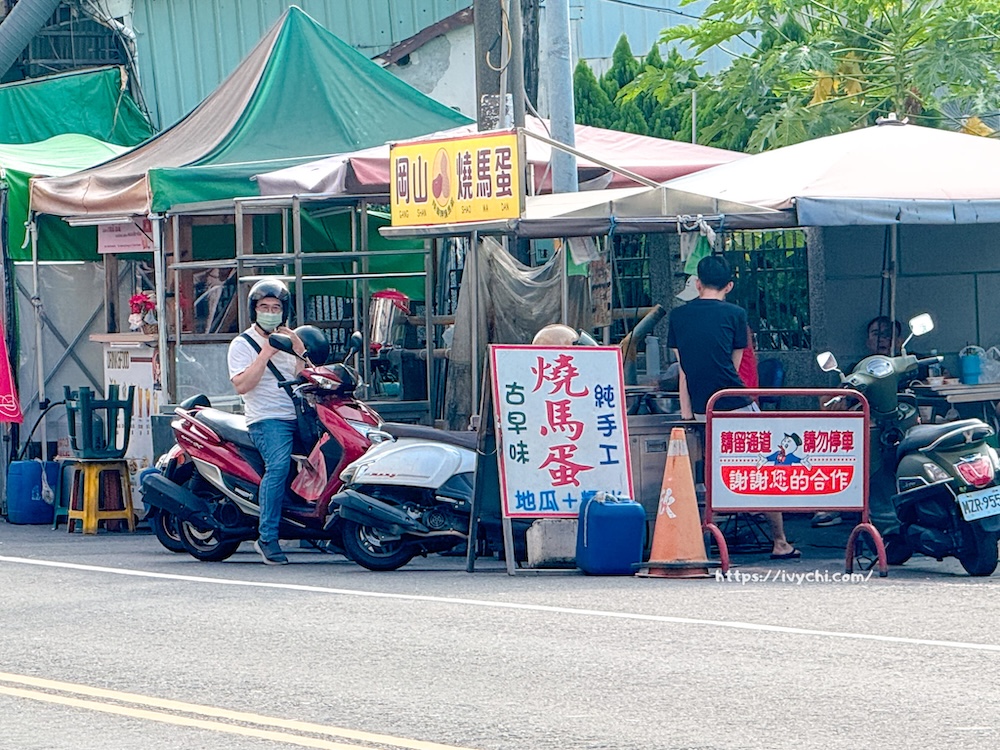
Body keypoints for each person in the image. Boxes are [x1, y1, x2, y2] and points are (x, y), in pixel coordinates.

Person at [668, 255, 799, 559]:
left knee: (709, 472)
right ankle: (780, 541)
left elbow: (683, 371)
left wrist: (687, 414)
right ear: (729, 285)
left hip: (701, 408)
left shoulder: (677, 317)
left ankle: (703, 536)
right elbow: (734, 368)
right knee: (764, 468)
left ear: (697, 283)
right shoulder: (736, 314)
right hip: (735, 404)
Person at [227, 278, 305, 565]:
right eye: (264, 307)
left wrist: (299, 349)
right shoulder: (242, 344)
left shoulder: (291, 338)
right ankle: (268, 537)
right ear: (254, 310)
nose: (271, 312)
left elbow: (307, 376)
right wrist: (267, 352)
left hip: (301, 416)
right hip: (268, 419)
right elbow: (242, 385)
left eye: (276, 307)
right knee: (279, 466)